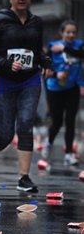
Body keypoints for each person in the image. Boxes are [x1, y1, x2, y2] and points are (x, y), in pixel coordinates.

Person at [0, 0, 53, 192]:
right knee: (5, 134)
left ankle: (24, 178)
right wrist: (6, 63)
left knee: (26, 125)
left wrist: (47, 62)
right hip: (3, 81)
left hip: (30, 80)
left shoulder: (36, 22)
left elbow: (38, 51)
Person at [44, 20, 82, 166]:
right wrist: (56, 75)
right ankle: (49, 143)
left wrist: (65, 48)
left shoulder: (78, 45)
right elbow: (45, 69)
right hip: (55, 89)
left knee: (70, 121)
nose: (71, 35)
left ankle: (68, 154)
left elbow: (81, 54)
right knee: (57, 122)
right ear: (62, 33)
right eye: (68, 32)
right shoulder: (52, 47)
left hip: (72, 88)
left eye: (73, 32)